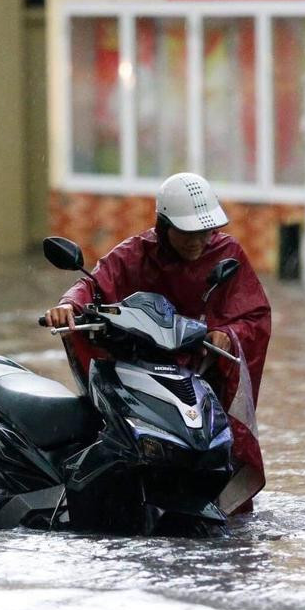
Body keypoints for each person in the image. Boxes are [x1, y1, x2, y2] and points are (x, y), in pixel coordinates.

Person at [44, 172, 272, 514]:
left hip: (202, 373)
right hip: (140, 370)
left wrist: (229, 333)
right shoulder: (135, 253)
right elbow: (95, 282)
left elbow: (254, 315)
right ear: (164, 226)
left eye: (205, 233)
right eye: (188, 234)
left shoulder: (227, 253)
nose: (198, 242)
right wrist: (67, 306)